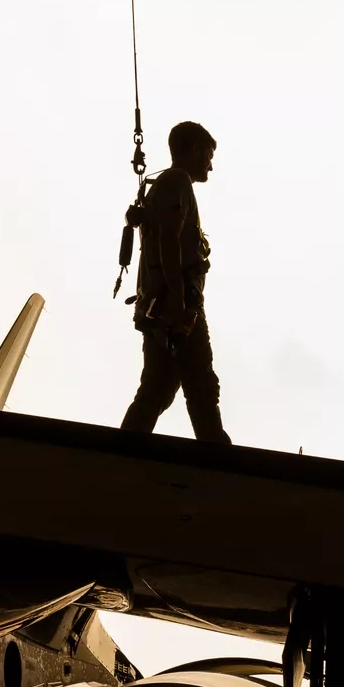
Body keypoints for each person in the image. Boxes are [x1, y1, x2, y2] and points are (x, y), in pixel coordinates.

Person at [121, 120, 229, 444]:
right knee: (201, 385)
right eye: (208, 155)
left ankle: (123, 450)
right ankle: (218, 460)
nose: (211, 164)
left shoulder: (161, 188)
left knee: (157, 388)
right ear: (194, 150)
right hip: (176, 309)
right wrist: (181, 307)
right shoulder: (178, 182)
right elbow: (169, 242)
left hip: (157, 311)